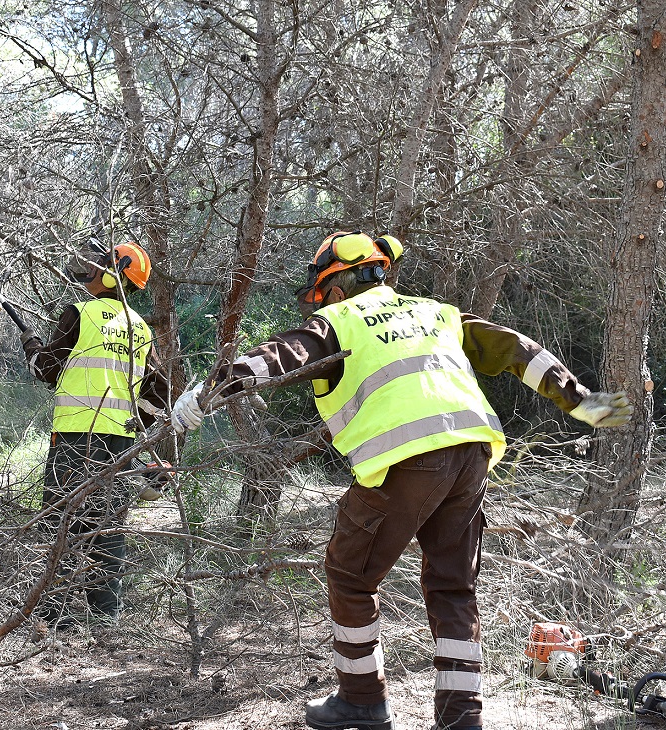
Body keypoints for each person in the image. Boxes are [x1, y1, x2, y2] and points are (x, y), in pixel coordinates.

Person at [170, 231, 632, 730]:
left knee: (350, 575)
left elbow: (278, 357)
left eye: (323, 295)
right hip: (472, 450)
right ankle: (461, 718)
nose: (321, 304)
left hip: (405, 459)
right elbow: (516, 347)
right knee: (454, 586)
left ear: (337, 286)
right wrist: (577, 397)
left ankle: (363, 702)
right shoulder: (436, 312)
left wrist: (208, 391)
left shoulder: (337, 321)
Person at [23, 239, 170, 625]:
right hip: (120, 445)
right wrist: (134, 429)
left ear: (113, 273)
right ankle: (105, 617)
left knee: (62, 525)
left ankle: (52, 615)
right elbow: (161, 393)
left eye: (101, 263)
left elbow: (45, 370)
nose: (92, 267)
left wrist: (32, 346)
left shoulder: (79, 314)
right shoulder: (141, 330)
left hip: (74, 440)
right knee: (108, 528)